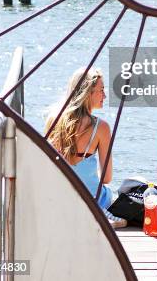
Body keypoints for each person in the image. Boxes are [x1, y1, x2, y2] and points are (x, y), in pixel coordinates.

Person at [45, 67, 116, 215]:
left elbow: (47, 164)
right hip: (91, 201)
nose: (105, 95)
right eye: (101, 90)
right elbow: (107, 178)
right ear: (88, 93)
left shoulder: (54, 119)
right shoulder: (101, 127)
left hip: (59, 198)